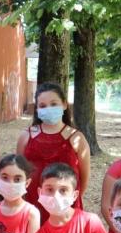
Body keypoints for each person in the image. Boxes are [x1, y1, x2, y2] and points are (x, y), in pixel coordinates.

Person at [17, 82, 92, 223]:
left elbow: (84, 177)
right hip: (33, 204)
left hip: (64, 205)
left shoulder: (77, 138)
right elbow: (18, 171)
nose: (48, 109)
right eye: (43, 106)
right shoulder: (26, 136)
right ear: (37, 109)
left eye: (53, 104)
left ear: (64, 104)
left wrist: (68, 200)